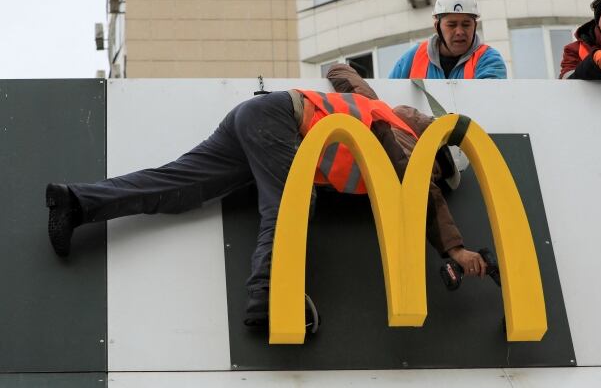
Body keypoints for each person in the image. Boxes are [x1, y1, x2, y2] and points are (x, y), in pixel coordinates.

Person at [45, 65, 487, 327]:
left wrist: (345, 71)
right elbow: (422, 189)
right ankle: (269, 295)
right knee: (293, 204)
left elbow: (342, 73)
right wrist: (456, 247)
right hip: (278, 122)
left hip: (257, 116)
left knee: (178, 186)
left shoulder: (380, 107)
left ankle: (77, 202)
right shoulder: (408, 139)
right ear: (440, 157)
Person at [389, 0, 507, 79]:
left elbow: (488, 105)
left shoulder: (488, 59)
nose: (460, 32)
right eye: (452, 25)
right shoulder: (413, 58)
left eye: (466, 25)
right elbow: (388, 99)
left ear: (475, 26)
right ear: (437, 26)